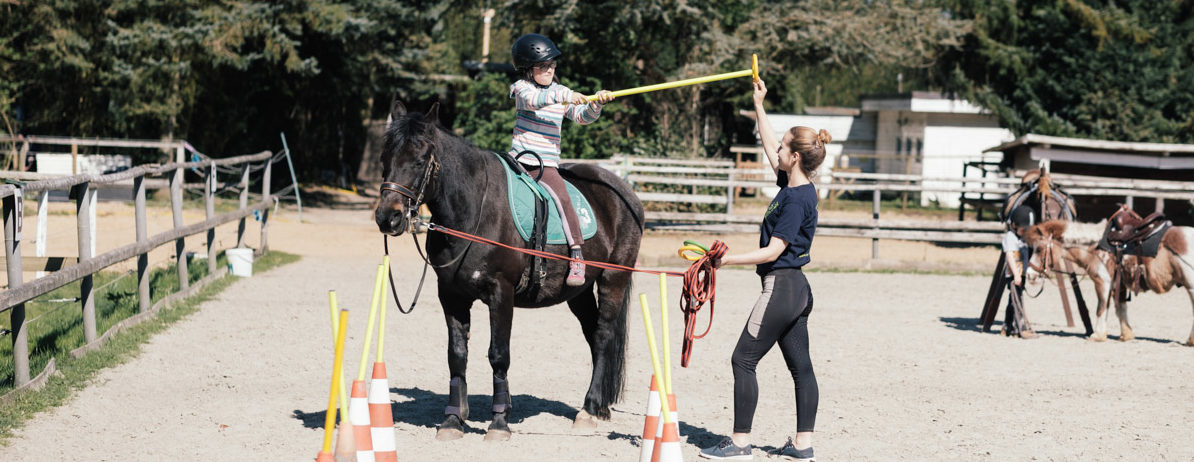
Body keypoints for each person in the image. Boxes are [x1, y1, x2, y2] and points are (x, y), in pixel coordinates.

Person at [698, 78, 826, 462]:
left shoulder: (794, 200)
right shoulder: (796, 186)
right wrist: (759, 105)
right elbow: (771, 146)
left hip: (782, 287)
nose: (778, 151)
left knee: (743, 360)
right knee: (801, 367)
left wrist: (726, 260)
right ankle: (803, 446)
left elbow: (773, 251)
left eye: (786, 148)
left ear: (797, 157)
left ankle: (739, 443)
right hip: (797, 289)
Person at [508, 33, 615, 287]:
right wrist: (566, 94)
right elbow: (534, 101)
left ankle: (577, 255)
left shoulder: (559, 92)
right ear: (527, 68)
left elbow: (581, 118)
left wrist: (596, 105)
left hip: (545, 166)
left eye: (552, 65)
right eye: (542, 66)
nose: (549, 70)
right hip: (518, 161)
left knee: (563, 199)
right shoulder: (521, 89)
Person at [1001, 205, 1038, 339]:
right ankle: (1019, 327)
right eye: (1024, 229)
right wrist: (1016, 275)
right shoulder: (1010, 237)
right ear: (1014, 225)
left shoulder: (1023, 238)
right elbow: (1010, 256)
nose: (1026, 232)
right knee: (1017, 300)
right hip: (1013, 274)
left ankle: (1007, 326)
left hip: (1021, 274)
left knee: (1013, 300)